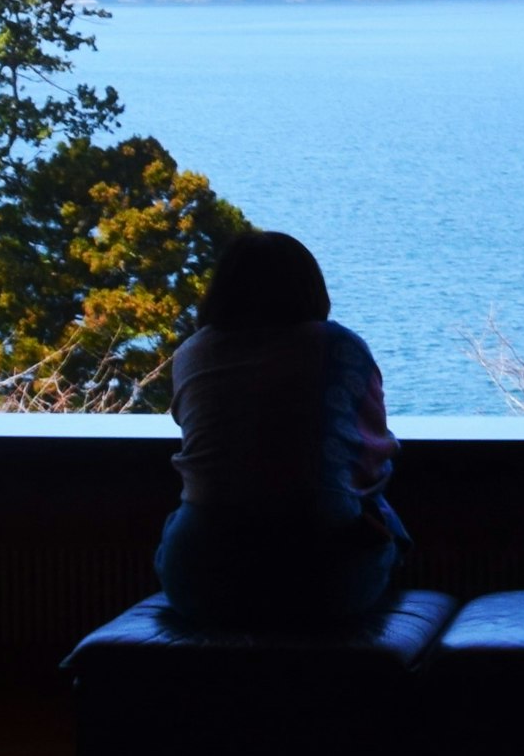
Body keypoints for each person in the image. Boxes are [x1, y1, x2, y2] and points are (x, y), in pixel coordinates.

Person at [157, 231, 406, 629]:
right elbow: (370, 457)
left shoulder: (193, 352)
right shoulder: (337, 346)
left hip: (197, 579)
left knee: (183, 521)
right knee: (385, 527)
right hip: (320, 581)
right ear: (311, 286)